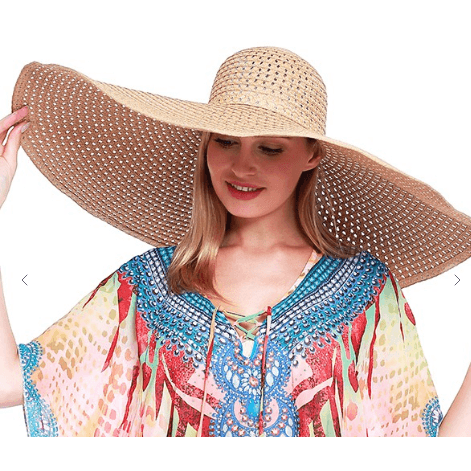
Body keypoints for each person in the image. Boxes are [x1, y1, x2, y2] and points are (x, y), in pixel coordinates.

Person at [0, 47, 470, 437]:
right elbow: (10, 383)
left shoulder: (363, 291)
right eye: (225, 141)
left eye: (270, 148)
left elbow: (428, 455)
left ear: (311, 155)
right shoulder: (150, 286)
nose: (242, 166)